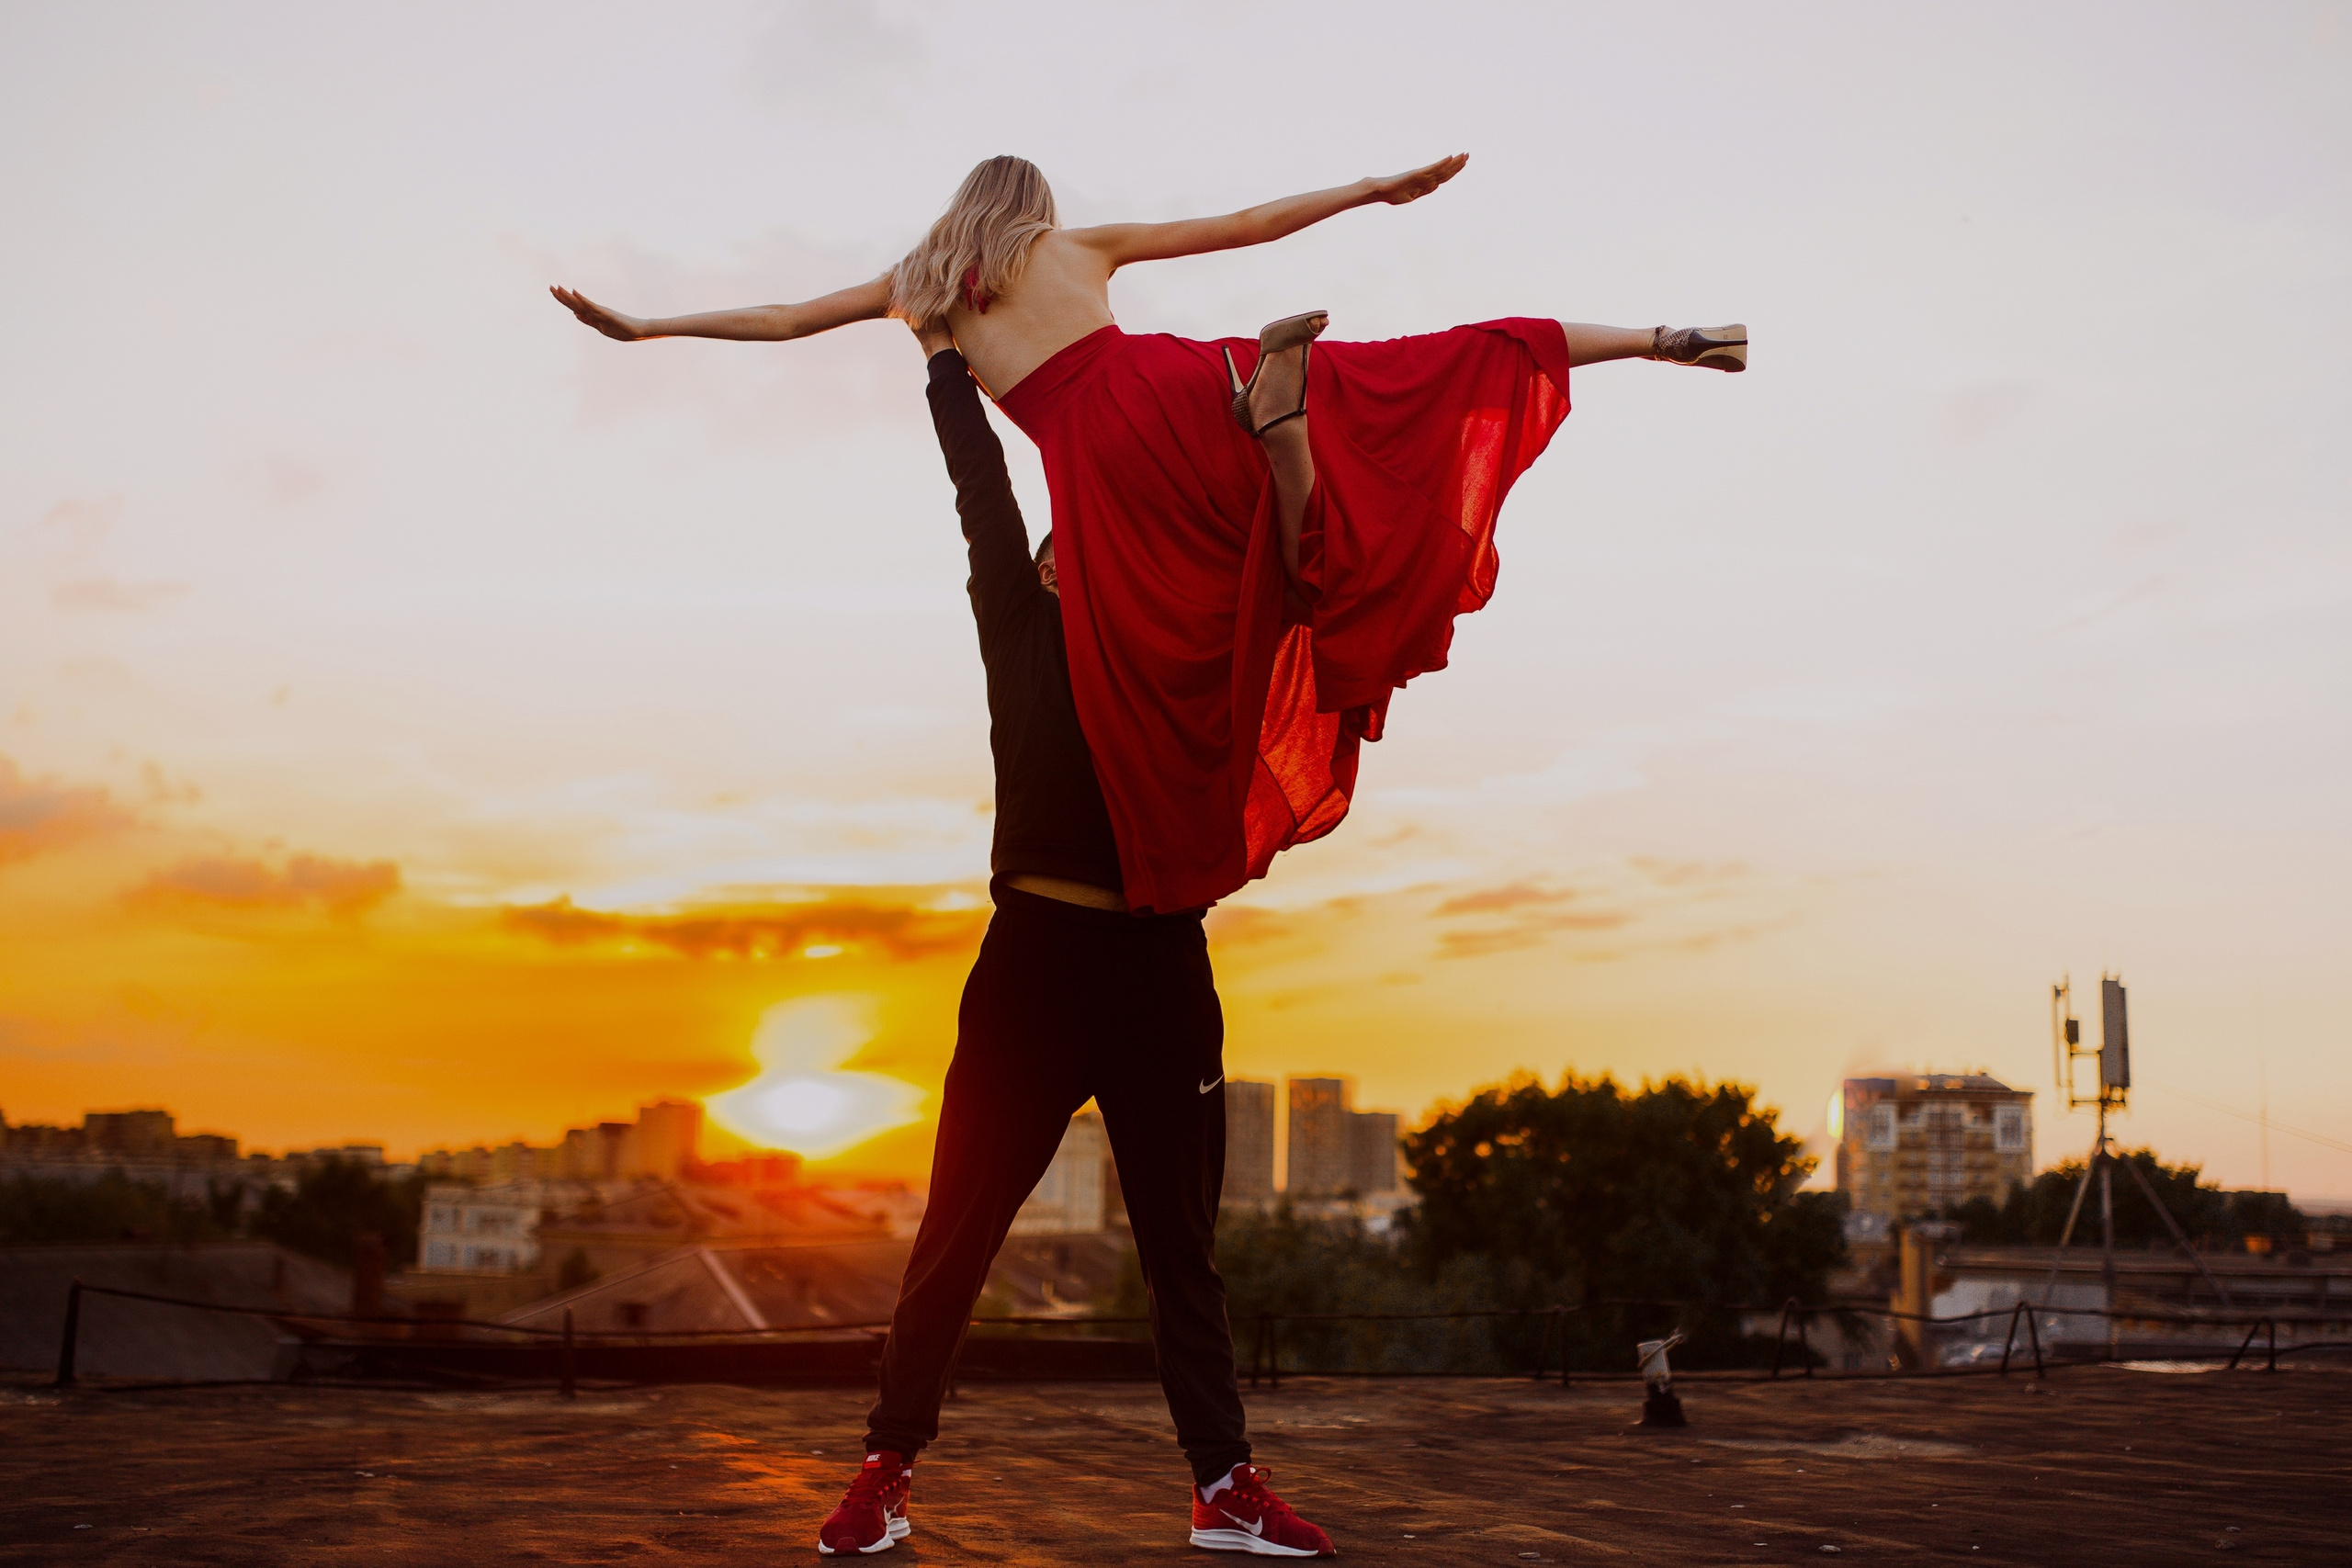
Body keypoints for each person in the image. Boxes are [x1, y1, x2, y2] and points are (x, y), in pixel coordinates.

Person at [551, 153, 1746, 917]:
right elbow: (1243, 221)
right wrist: (1370, 190)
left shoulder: (920, 282)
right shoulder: (1075, 248)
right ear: (1038, 212)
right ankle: (1657, 338)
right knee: (1402, 377)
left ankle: (1281, 447)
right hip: (1184, 382)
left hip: (1098, 459)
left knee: (1204, 643)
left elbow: (779, 319)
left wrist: (643, 329)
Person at [800, 317, 1331, 1558]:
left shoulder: (1181, 653)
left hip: (1159, 971)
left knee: (1181, 1258)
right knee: (955, 1236)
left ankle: (1223, 1489)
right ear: (1043, 568)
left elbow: (1273, 560)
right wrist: (943, 358)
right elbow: (982, 490)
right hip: (1032, 967)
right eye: (1067, 548)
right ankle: (884, 1473)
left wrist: (1276, 423)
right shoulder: (1018, 625)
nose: (1083, 560)